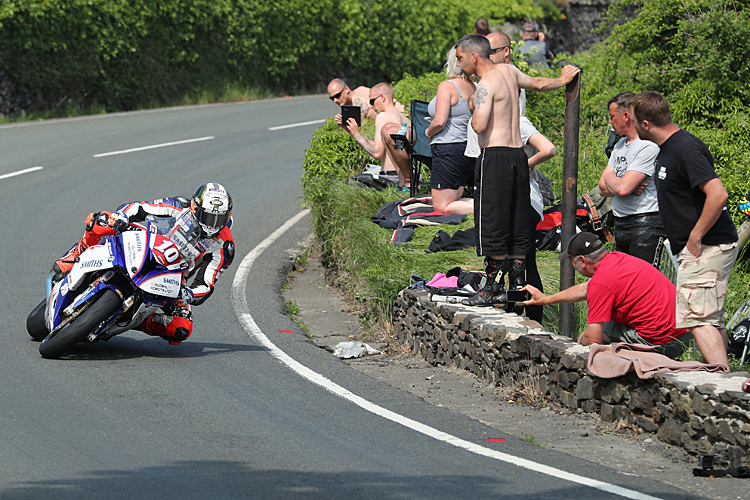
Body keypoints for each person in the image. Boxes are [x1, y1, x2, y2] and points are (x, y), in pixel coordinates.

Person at [454, 33, 579, 306]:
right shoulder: (509, 71)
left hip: (495, 158)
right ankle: (518, 285)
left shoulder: (485, 84)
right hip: (517, 158)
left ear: (475, 56)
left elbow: (479, 126)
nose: (459, 63)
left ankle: (490, 290)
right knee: (517, 222)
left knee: (493, 221)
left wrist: (473, 103)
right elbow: (537, 83)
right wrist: (562, 79)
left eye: (461, 58)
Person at [629, 91, 739, 367]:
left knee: (697, 318)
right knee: (709, 318)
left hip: (707, 245)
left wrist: (695, 235)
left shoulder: (685, 149)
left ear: (645, 123)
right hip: (700, 246)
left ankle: (718, 387)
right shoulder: (668, 150)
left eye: (631, 119)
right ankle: (724, 380)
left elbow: (718, 194)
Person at [53, 183, 235, 345]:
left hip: (172, 279)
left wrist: (188, 294)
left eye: (219, 219)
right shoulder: (179, 206)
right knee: (100, 221)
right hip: (145, 245)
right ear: (195, 208)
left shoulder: (223, 246)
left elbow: (205, 284)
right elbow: (137, 208)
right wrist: (121, 217)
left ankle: (140, 320)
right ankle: (73, 257)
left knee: (181, 328)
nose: (212, 224)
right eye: (208, 217)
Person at [522, 232, 695, 358]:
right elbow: (584, 289)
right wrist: (545, 299)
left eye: (573, 262)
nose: (574, 266)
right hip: (685, 331)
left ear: (582, 261)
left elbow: (593, 339)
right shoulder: (617, 259)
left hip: (663, 341)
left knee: (593, 345)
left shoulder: (601, 283)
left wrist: (582, 340)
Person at [598, 92, 666, 264]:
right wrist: (620, 183)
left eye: (612, 116)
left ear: (626, 116)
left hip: (645, 224)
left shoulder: (648, 146)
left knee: (644, 282)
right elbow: (602, 188)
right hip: (621, 223)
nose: (609, 121)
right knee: (625, 281)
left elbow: (621, 188)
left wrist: (614, 180)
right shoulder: (620, 144)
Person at [424, 47, 476, 214]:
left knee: (441, 206)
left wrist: (428, 132)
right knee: (455, 199)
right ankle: (490, 205)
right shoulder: (474, 86)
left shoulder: (448, 86)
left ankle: (492, 207)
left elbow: (439, 122)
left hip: (448, 147)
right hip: (466, 148)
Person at [336, 82, 412, 189]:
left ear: (382, 97)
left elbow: (377, 153)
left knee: (351, 183)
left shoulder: (384, 116)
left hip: (392, 177)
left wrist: (357, 135)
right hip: (410, 173)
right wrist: (352, 132)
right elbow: (383, 147)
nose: (371, 106)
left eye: (372, 101)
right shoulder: (405, 120)